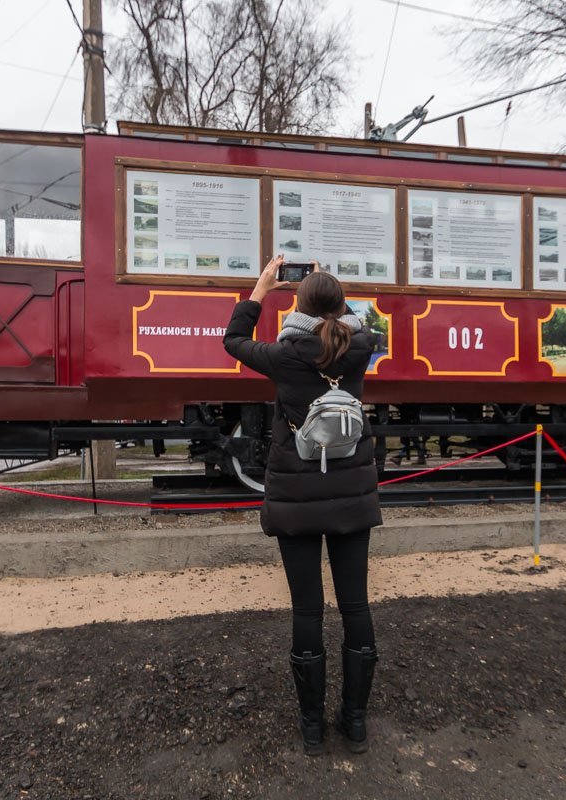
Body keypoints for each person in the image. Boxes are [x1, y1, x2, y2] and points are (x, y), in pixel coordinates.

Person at [223, 256, 382, 756]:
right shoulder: (363, 346)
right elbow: (355, 324)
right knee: (356, 606)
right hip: (352, 496)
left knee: (308, 610)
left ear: (299, 305)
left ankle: (312, 727)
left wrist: (261, 288)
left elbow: (233, 340)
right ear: (341, 303)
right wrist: (324, 284)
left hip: (296, 498)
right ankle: (354, 722)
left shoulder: (284, 355)